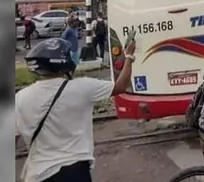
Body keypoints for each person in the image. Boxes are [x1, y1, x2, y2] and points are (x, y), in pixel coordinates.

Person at [15, 37, 136, 182]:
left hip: (38, 175)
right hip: (74, 171)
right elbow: (121, 86)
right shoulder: (82, 87)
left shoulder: (20, 98)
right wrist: (129, 56)